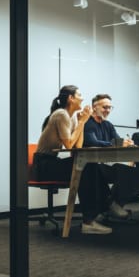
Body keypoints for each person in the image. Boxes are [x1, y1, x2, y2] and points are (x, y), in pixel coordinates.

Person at [34, 85, 112, 235]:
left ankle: (99, 211)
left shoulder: (72, 117)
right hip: (44, 165)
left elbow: (78, 146)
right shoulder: (61, 114)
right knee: (86, 166)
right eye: (80, 95)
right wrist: (82, 122)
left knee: (88, 165)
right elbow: (69, 145)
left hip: (52, 163)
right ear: (71, 98)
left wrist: (81, 121)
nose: (83, 98)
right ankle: (91, 220)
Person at [84, 94, 139, 219]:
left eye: (109, 107)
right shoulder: (87, 124)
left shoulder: (108, 125)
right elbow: (92, 142)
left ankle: (114, 203)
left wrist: (127, 143)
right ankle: (111, 204)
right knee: (124, 173)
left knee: (135, 173)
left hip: (103, 165)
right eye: (104, 107)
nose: (107, 110)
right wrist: (115, 143)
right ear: (94, 107)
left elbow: (118, 141)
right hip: (90, 167)